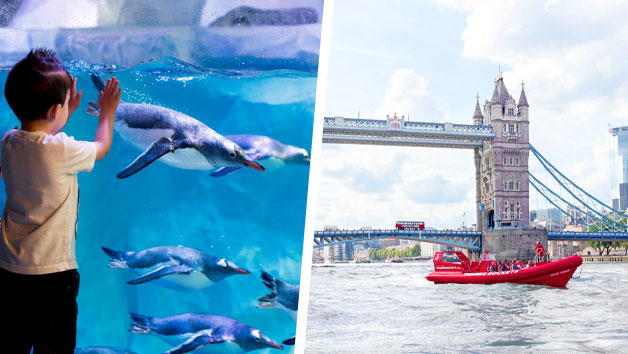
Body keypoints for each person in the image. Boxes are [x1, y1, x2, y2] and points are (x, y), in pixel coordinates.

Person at [0, 48, 121, 353]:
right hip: (53, 278)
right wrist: (107, 112)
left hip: (10, 272)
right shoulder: (62, 150)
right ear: (55, 111)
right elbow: (102, 146)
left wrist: (60, 114)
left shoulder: (9, 142)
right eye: (67, 103)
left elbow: (39, 141)